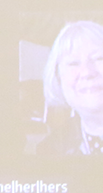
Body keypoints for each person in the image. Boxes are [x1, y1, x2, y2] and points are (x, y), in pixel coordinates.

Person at [39, 19, 103, 155]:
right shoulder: (50, 150)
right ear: (57, 78)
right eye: (73, 63)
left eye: (99, 58)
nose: (87, 72)